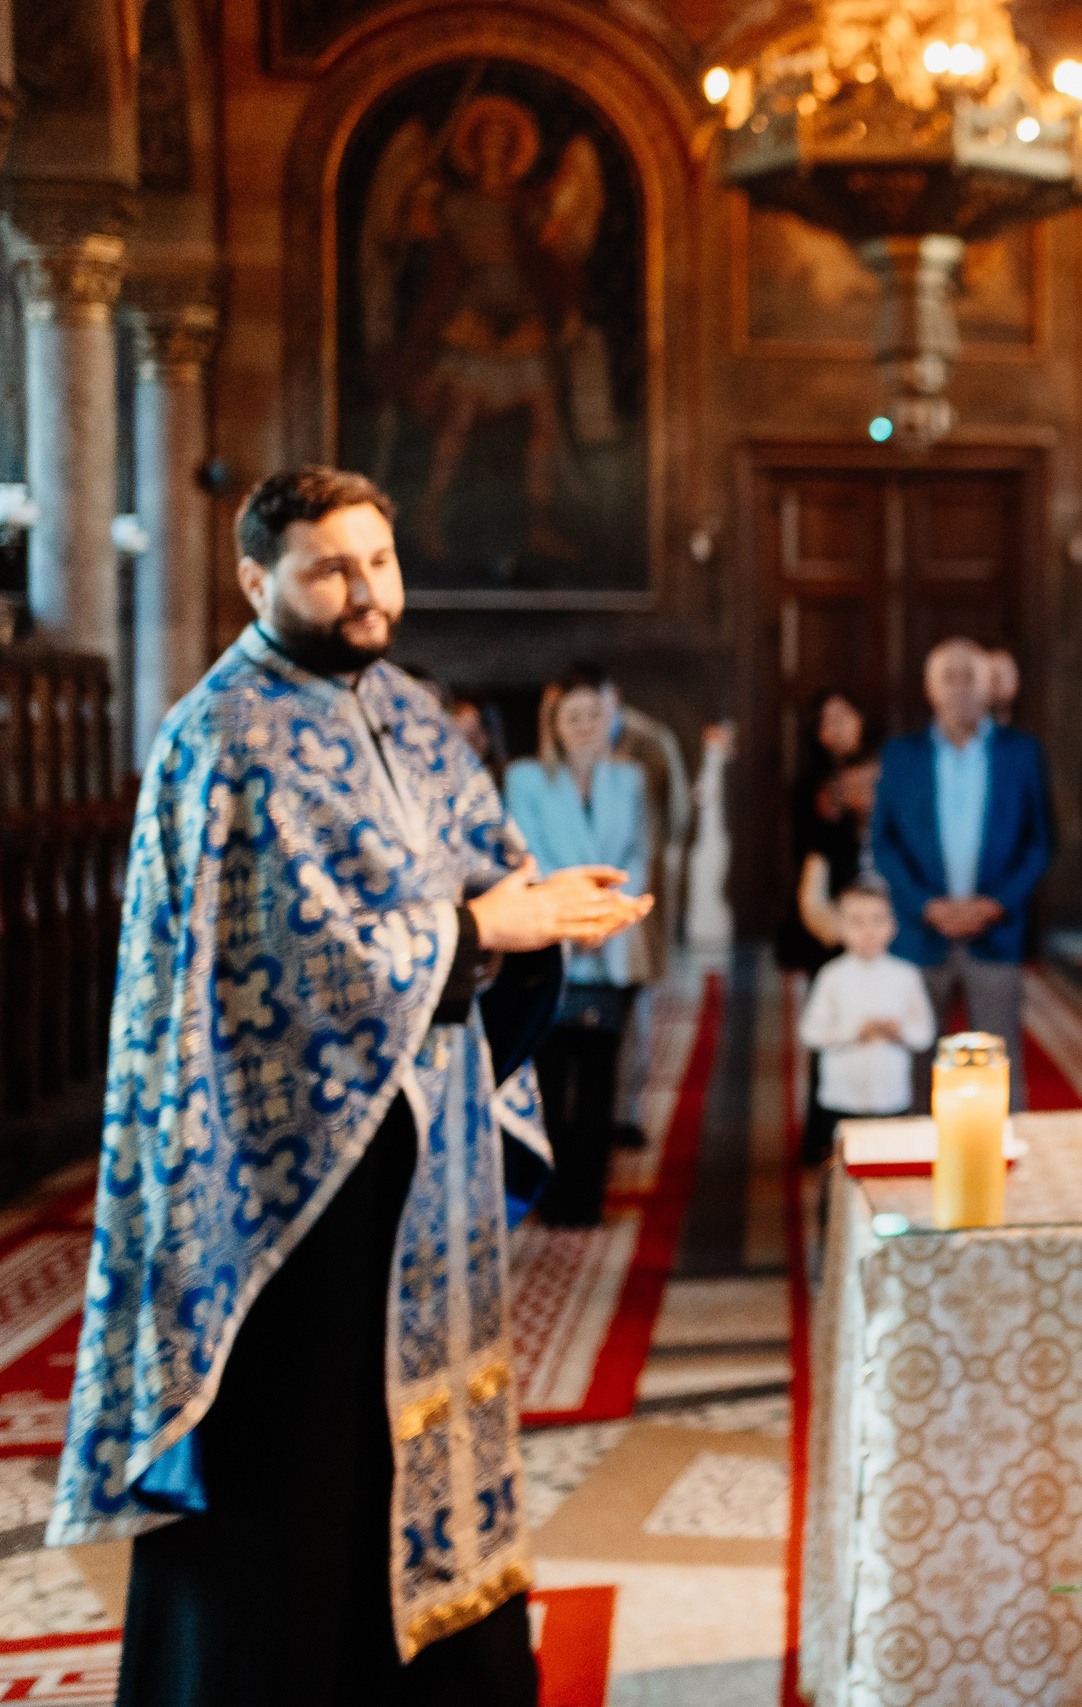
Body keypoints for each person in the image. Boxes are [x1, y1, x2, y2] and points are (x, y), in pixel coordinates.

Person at [49, 466, 648, 1703]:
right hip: (281, 1194)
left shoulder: (414, 713)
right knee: (301, 1464)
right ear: (256, 579)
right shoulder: (221, 735)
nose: (366, 589)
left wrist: (534, 916)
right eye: (332, 567)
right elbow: (290, 968)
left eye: (378, 560)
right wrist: (478, 929)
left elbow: (485, 869)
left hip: (425, 1169)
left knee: (424, 1434)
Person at [872, 638, 1053, 1110]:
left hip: (995, 929)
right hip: (920, 930)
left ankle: (1003, 1159)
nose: (959, 688)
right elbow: (884, 844)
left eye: (969, 676)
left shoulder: (1021, 753)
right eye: (947, 677)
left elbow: (1040, 841)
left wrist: (994, 904)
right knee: (913, 1061)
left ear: (989, 686)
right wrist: (928, 906)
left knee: (998, 1060)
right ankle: (912, 1162)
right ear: (930, 689)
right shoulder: (900, 755)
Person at [506, 671, 652, 1226]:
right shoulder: (525, 779)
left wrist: (606, 920)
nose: (587, 726)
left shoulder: (630, 778)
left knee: (598, 1078)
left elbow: (639, 854)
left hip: (610, 941)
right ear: (555, 727)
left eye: (596, 715)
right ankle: (549, 1192)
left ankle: (587, 1197)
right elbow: (530, 855)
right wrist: (572, 919)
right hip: (551, 938)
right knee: (550, 1075)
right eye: (574, 717)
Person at [797, 887, 936, 1132]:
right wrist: (854, 1032)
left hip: (891, 1097)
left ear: (893, 924)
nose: (869, 931)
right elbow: (810, 1032)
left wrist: (899, 1030)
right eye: (857, 922)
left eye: (878, 920)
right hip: (842, 1097)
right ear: (840, 927)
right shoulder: (832, 975)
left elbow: (924, 1033)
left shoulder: (906, 975)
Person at [778, 691, 879, 976]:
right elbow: (810, 857)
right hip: (835, 906)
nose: (837, 728)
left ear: (860, 718)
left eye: (844, 717)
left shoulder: (890, 773)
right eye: (828, 721)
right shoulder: (809, 788)